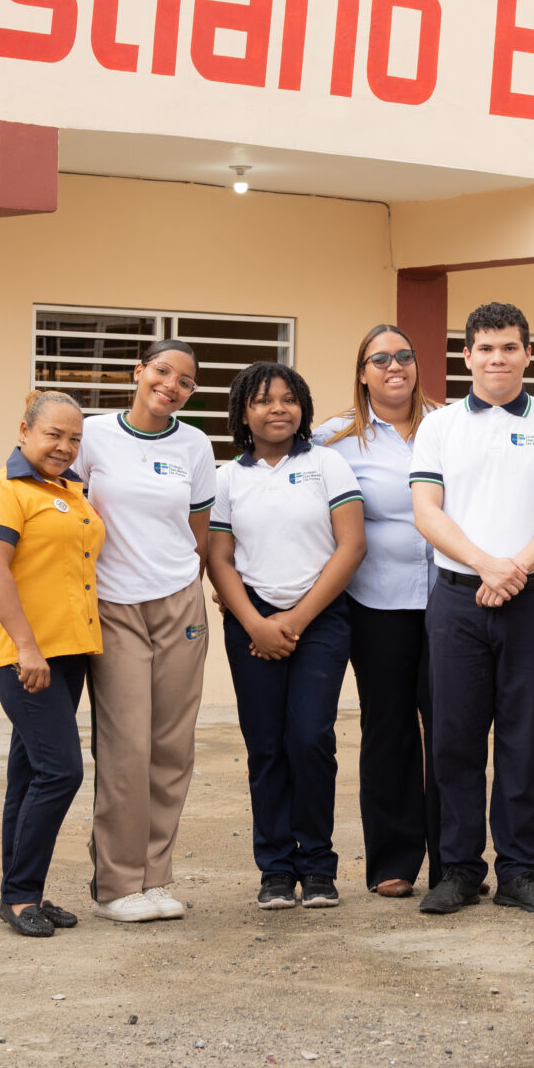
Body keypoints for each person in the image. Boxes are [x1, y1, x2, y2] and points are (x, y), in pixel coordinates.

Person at [409, 301, 534, 915]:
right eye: (485, 348)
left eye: (509, 347)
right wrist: (487, 564)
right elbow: (427, 511)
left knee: (521, 740)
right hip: (458, 600)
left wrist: (513, 570)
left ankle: (518, 871)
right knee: (455, 740)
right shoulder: (439, 426)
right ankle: (459, 870)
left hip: (531, 602)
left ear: (527, 354)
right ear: (467, 356)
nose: (497, 358)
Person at [209, 364, 365, 909]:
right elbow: (219, 557)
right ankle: (275, 867)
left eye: (288, 399)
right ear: (242, 413)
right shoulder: (228, 477)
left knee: (310, 736)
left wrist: (294, 621)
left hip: (319, 619)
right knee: (267, 746)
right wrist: (254, 622)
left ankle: (318, 865)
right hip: (251, 621)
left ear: (303, 407)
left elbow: (351, 547)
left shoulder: (328, 463)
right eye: (262, 400)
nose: (278, 409)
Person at [74, 338, 217, 925]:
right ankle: (116, 882)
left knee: (171, 747)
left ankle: (155, 878)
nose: (171, 385)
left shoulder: (196, 444)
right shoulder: (91, 434)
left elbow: (200, 532)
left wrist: (190, 591)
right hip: (114, 605)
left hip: (179, 603)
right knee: (127, 746)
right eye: (162, 371)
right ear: (139, 372)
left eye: (184, 380)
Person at [0, 391, 103, 935]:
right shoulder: (1, 491)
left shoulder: (70, 490)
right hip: (26, 656)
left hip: (68, 653)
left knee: (27, 776)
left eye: (74, 438)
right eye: (54, 435)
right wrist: (26, 646)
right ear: (24, 429)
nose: (65, 446)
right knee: (60, 770)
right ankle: (21, 894)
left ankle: (24, 893)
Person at [315, 327, 440, 896]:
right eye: (380, 359)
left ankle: (455, 859)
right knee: (389, 729)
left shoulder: (451, 426)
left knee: (451, 732)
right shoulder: (334, 440)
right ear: (363, 372)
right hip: (378, 604)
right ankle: (393, 861)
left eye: (405, 356)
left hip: (451, 600)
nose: (395, 366)